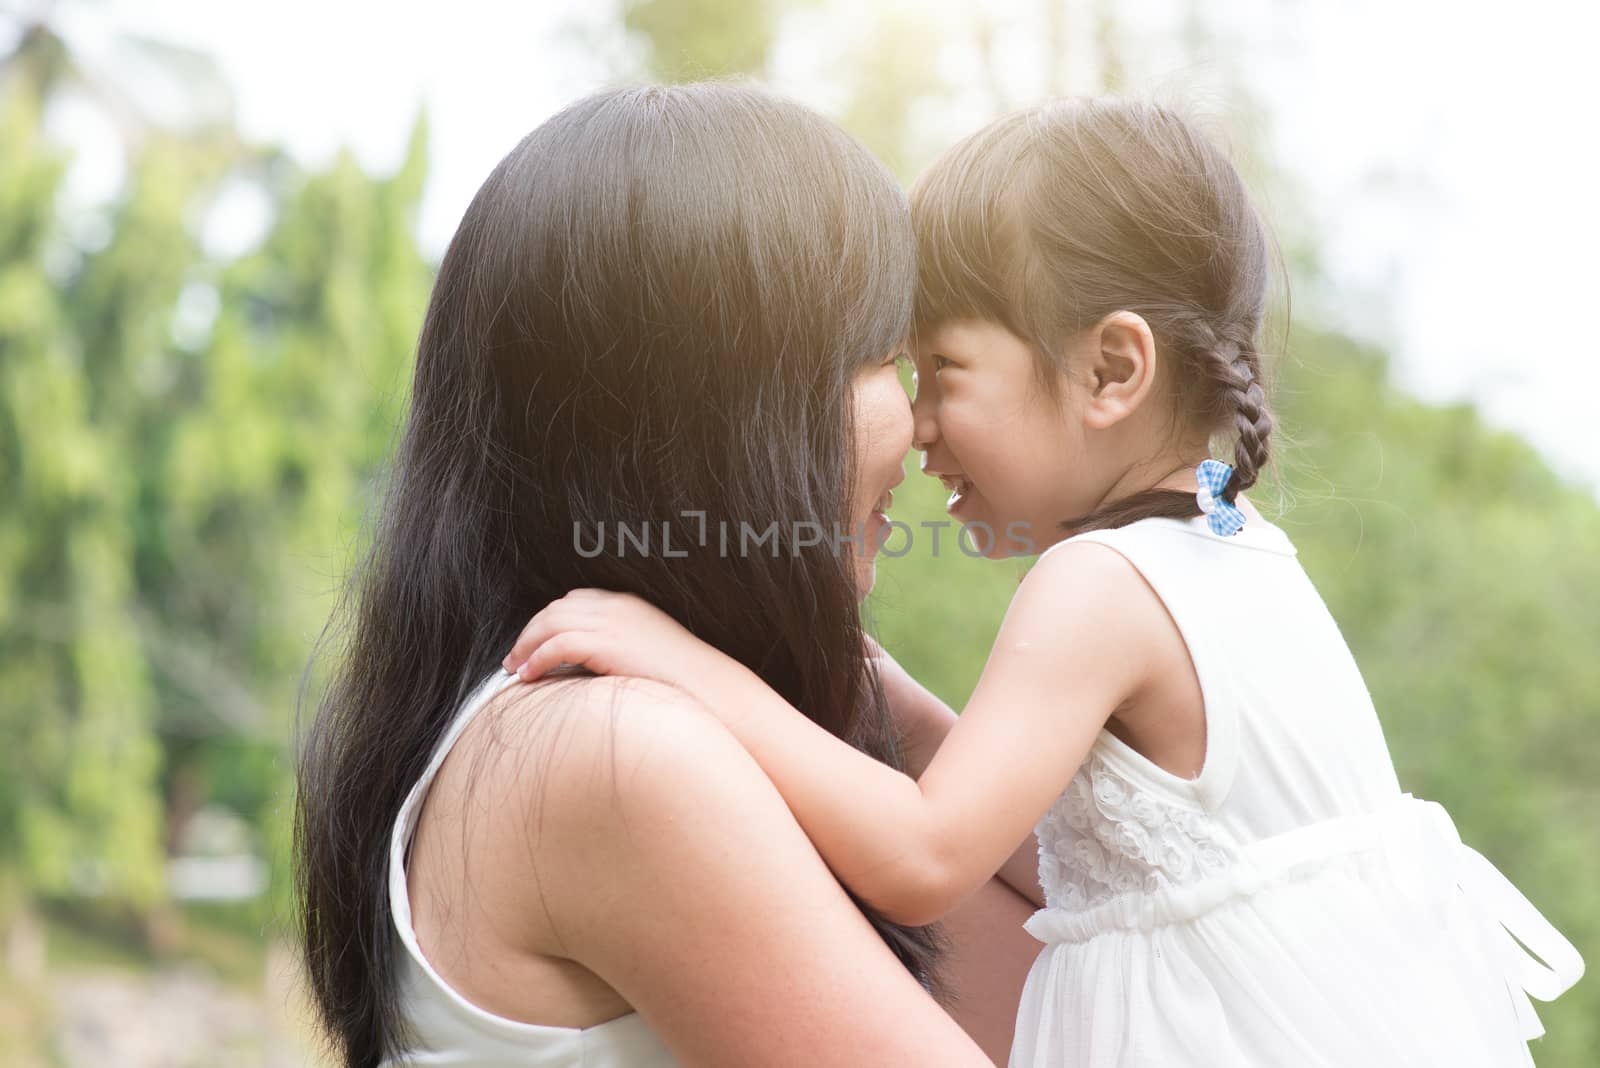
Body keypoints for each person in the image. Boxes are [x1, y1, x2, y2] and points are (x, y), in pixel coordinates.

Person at [504, 98, 1585, 1067]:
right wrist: (866, 685)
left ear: (1110, 371)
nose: (917, 429)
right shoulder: (1226, 525)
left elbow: (926, 855)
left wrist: (688, 665)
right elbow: (1070, 835)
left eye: (943, 375)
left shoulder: (1098, 584)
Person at [294, 83, 1042, 1068]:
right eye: (878, 361)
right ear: (719, 414)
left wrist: (881, 706)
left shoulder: (629, 730)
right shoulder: (612, 753)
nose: (915, 426)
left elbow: (1088, 974)